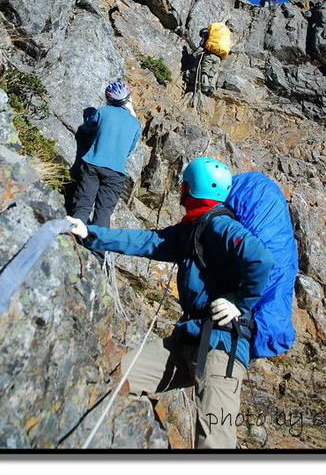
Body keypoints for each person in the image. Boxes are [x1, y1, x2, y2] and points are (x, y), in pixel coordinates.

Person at [66, 157, 274, 449]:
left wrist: (240, 301)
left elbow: (260, 258)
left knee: (215, 444)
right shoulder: (192, 230)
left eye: (183, 184)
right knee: (114, 379)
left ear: (190, 188)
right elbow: (147, 241)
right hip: (187, 340)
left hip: (220, 349)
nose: (180, 189)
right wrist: (91, 233)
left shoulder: (220, 226)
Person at [70, 81, 140, 228]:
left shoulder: (102, 112)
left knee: (83, 204)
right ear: (128, 99)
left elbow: (87, 129)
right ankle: (98, 248)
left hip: (93, 164)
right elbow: (130, 149)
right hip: (116, 172)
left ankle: (73, 236)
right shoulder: (135, 123)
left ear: (109, 98)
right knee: (103, 213)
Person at [197, 21, 233, 97]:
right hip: (220, 57)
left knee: (205, 70)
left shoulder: (213, 28)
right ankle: (211, 87)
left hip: (211, 53)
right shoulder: (226, 33)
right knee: (212, 72)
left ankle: (204, 86)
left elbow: (203, 38)